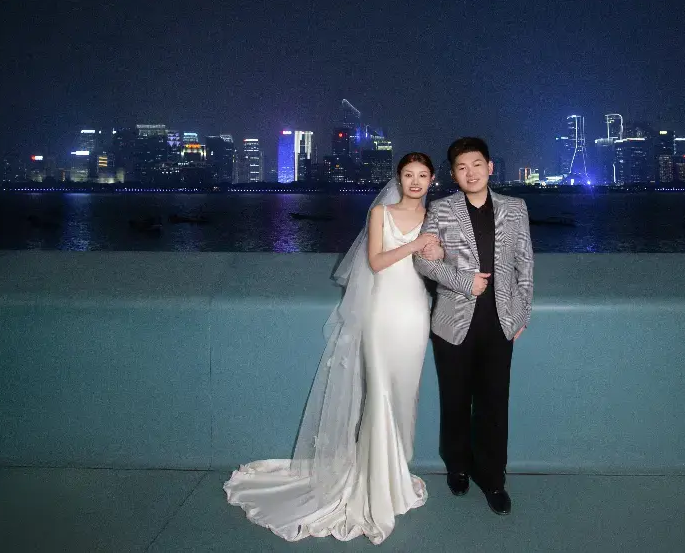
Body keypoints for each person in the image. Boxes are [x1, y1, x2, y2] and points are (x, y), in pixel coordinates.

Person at [224, 153, 444, 544]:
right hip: (381, 313)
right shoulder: (380, 214)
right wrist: (415, 245)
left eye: (422, 175)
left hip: (415, 313)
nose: (415, 181)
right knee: (379, 393)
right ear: (398, 178)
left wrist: (435, 251)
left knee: (405, 394)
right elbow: (376, 261)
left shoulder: (435, 218)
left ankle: (395, 474)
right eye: (408, 174)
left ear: (432, 180)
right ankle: (373, 481)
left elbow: (438, 263)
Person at [412, 137, 534, 516]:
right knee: (455, 401)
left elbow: (525, 264)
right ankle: (458, 467)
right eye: (462, 168)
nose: (471, 173)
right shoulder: (441, 209)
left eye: (477, 165)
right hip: (452, 323)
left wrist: (522, 314)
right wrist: (465, 282)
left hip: (500, 323)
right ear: (453, 174)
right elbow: (423, 261)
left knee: (494, 403)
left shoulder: (515, 208)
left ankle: (493, 478)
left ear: (490, 167)